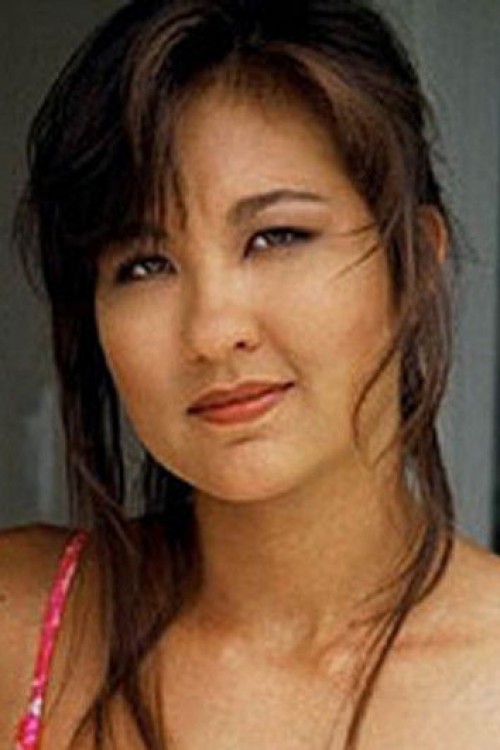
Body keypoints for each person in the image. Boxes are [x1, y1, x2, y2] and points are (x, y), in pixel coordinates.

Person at [1, 0, 500, 748]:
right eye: (144, 265)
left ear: (416, 267)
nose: (212, 333)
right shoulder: (19, 623)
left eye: (277, 236)